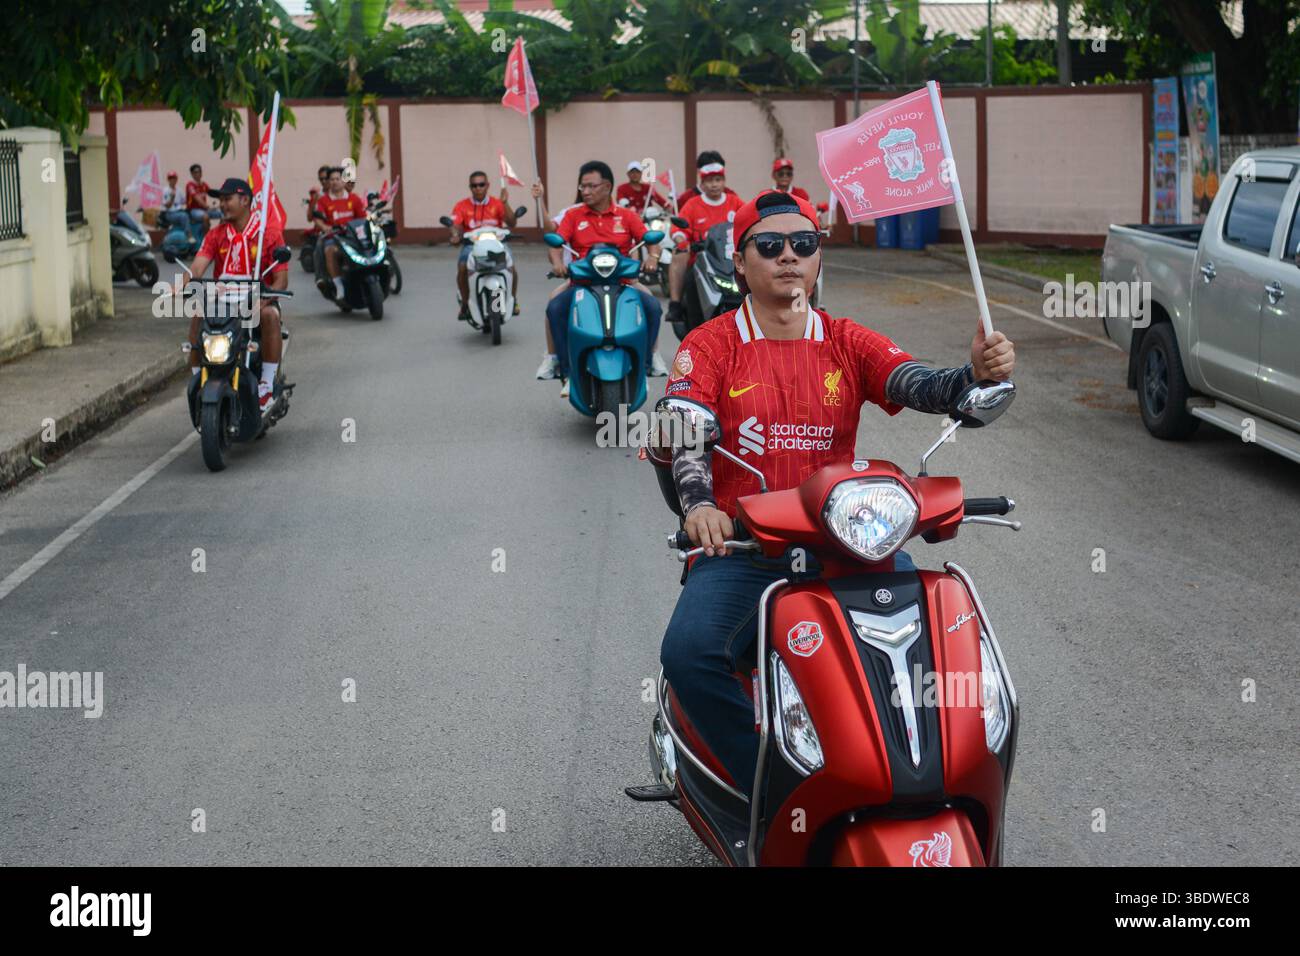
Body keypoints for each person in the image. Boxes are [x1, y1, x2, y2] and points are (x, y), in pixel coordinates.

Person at [657, 189, 1016, 796]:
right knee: (690, 655)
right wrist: (699, 506)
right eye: (769, 246)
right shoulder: (709, 344)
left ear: (819, 258)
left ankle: (922, 779)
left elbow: (919, 384)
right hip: (746, 551)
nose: (788, 256)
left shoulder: (848, 341)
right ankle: (775, 792)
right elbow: (681, 427)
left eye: (804, 243)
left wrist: (973, 375)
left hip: (851, 542)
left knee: (940, 661)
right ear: (741, 262)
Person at [536, 161, 669, 395]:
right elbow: (556, 240)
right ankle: (562, 367)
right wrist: (557, 264)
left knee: (652, 307)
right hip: (582, 283)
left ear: (607, 186)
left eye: (591, 186)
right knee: (555, 307)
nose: (585, 191)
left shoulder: (627, 216)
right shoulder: (574, 215)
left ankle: (646, 365)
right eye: (582, 187)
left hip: (624, 282)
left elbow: (650, 239)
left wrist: (654, 258)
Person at [185, 178, 290, 412]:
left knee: (271, 316)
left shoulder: (269, 234)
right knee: (197, 313)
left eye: (227, 199)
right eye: (220, 200)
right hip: (223, 302)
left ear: (245, 200)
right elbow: (197, 269)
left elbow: (281, 279)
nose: (222, 204)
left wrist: (266, 298)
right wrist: (181, 285)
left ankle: (266, 385)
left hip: (256, 299)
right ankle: (197, 378)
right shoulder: (216, 234)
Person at [665, 161, 746, 329]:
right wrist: (682, 239)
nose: (714, 184)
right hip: (702, 262)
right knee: (690, 281)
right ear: (702, 183)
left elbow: (748, 222)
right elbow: (678, 228)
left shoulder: (735, 202)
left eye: (718, 179)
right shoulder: (693, 204)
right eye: (709, 180)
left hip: (732, 261)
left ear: (724, 181)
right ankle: (677, 307)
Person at [449, 171, 520, 321]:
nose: (478, 188)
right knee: (462, 268)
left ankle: (512, 301)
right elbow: (455, 225)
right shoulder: (462, 206)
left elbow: (512, 223)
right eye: (474, 185)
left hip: (497, 243)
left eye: (481, 184)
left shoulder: (497, 203)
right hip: (472, 245)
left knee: (512, 268)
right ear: (470, 187)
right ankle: (466, 305)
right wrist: (455, 235)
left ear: (487, 186)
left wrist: (505, 203)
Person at [313, 166, 367, 299]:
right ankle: (339, 286)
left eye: (338, 179)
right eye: (332, 179)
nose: (335, 182)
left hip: (352, 235)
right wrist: (324, 226)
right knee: (329, 250)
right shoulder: (323, 201)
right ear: (329, 183)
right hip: (334, 236)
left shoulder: (354, 199)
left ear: (344, 181)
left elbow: (363, 218)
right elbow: (317, 219)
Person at [675, 151, 740, 207]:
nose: (714, 184)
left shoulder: (731, 195)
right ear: (699, 172)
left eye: (717, 178)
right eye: (709, 177)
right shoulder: (686, 198)